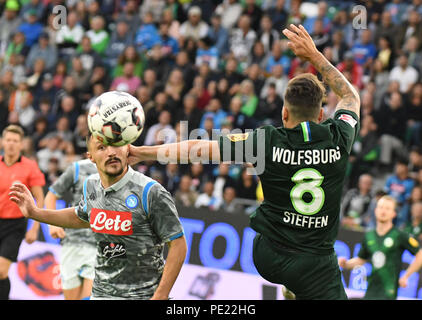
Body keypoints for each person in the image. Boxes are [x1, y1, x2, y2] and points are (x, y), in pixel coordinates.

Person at [128, 24, 361, 299]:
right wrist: (314, 56)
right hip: (315, 263)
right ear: (322, 116)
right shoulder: (338, 136)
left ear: (284, 114)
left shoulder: (265, 141)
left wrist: (142, 152)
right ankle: (297, 286)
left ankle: (292, 284)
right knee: (312, 275)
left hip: (267, 256)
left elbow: (199, 148)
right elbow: (350, 96)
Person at [9, 131, 187, 300]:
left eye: (116, 145)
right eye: (102, 147)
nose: (111, 152)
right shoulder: (91, 185)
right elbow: (80, 217)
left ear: (127, 149)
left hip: (144, 294)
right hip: (101, 292)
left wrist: (161, 295)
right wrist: (35, 213)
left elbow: (178, 245)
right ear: (91, 157)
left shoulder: (151, 191)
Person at [338, 196, 422, 300]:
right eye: (381, 207)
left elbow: (420, 254)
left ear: (394, 213)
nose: (383, 211)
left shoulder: (399, 235)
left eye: (387, 208)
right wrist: (346, 264)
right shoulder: (369, 236)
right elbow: (360, 260)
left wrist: (406, 276)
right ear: (375, 210)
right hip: (370, 292)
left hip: (388, 294)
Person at [0, 125, 45, 300]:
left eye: (15, 141)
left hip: (15, 224)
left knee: (1, 270)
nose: (11, 144)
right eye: (9, 140)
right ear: (3, 142)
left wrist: (34, 228)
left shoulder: (30, 167)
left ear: (21, 144)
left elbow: (39, 198)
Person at [45, 159, 98, 300]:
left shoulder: (120, 169)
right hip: (72, 244)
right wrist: (53, 224)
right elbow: (51, 195)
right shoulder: (77, 168)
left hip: (100, 246)